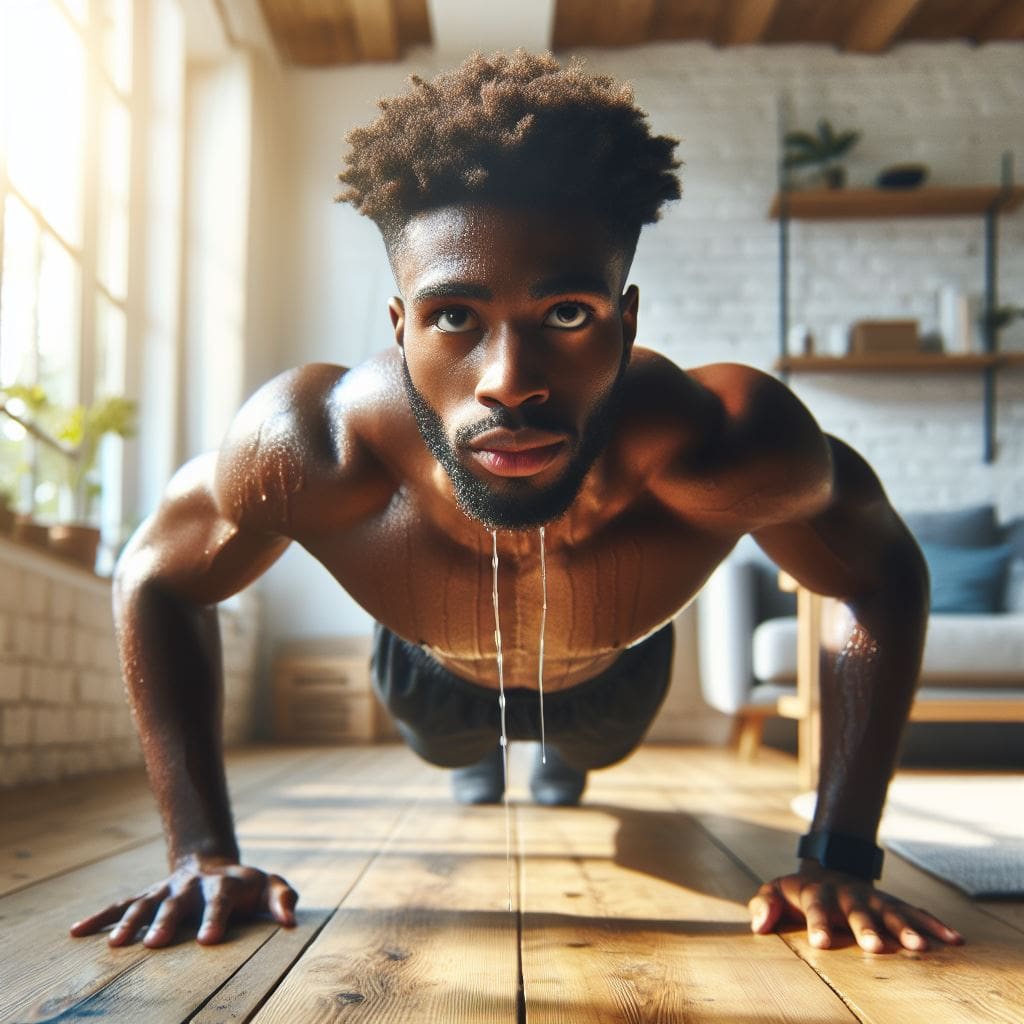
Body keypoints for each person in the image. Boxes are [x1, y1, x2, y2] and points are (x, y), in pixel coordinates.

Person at [70, 51, 962, 955]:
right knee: (456, 756)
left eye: (568, 314)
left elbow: (880, 571)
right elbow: (159, 575)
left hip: (617, 676)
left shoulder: (725, 442)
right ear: (400, 326)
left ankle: (558, 765)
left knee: (582, 760)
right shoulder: (313, 447)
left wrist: (841, 855)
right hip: (432, 680)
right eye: (454, 316)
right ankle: (483, 763)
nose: (509, 384)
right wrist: (201, 853)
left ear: (628, 317)